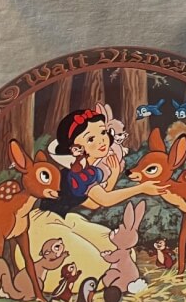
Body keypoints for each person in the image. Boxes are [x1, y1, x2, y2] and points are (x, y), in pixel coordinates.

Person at [24, 107, 158, 283]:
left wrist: (113, 175)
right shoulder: (77, 174)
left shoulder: (91, 171)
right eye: (90, 139)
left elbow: (94, 203)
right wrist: (141, 188)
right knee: (98, 266)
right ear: (75, 148)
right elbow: (105, 199)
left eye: (102, 132)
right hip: (44, 225)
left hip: (66, 220)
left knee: (121, 249)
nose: (102, 140)